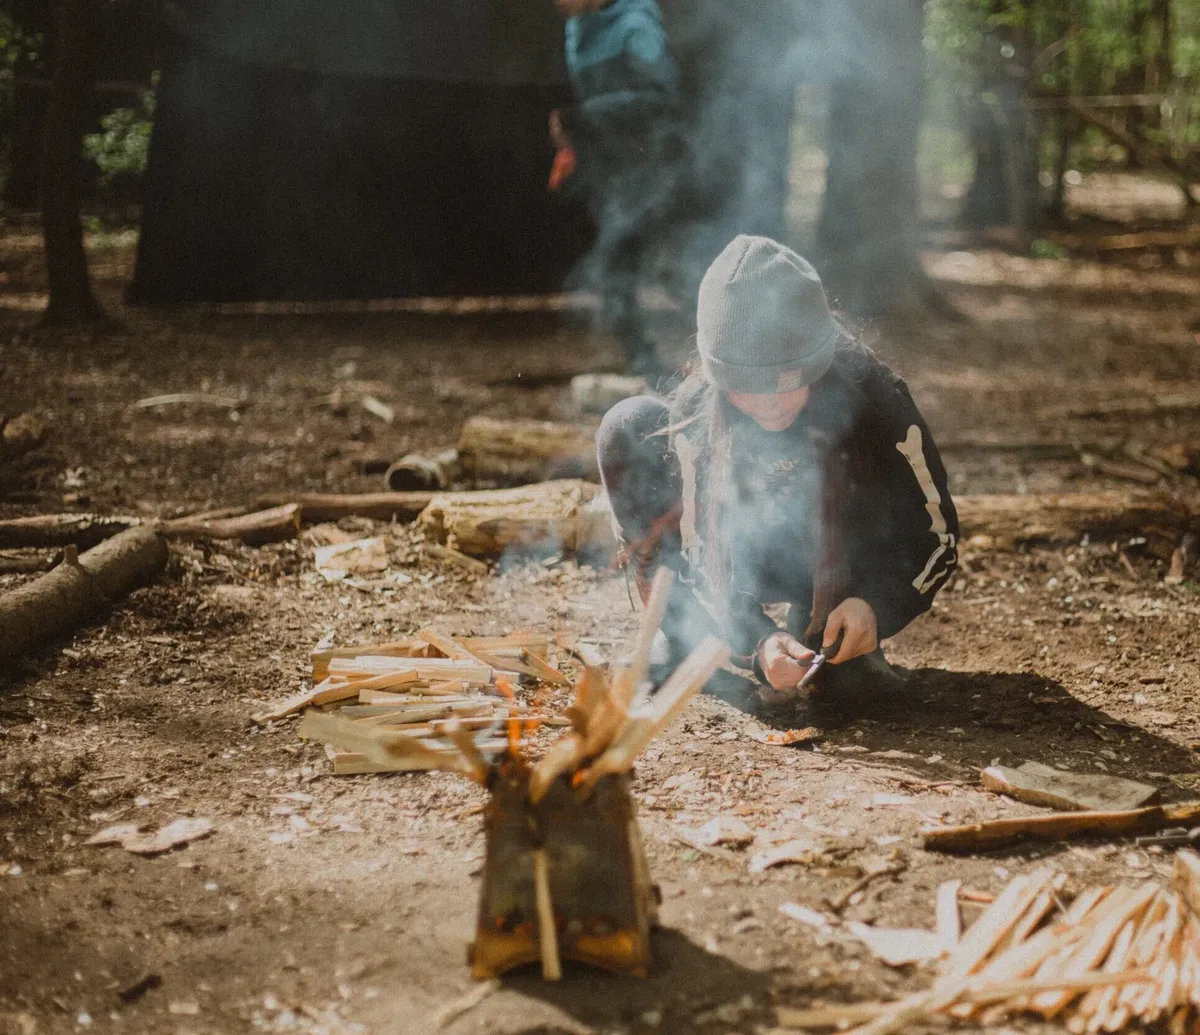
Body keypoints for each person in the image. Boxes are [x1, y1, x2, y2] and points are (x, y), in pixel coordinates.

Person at [596, 235, 959, 699]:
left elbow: (936, 535)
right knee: (628, 425)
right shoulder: (698, 411)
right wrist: (756, 641)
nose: (768, 404)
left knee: (849, 694)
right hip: (744, 555)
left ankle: (831, 626)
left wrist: (876, 604)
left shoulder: (877, 399)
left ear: (817, 362)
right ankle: (686, 636)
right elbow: (693, 555)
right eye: (746, 387)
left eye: (786, 383)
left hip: (840, 555)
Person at [551, 0, 683, 384]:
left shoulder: (635, 24)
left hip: (649, 164)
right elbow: (592, 101)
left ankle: (730, 350)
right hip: (610, 168)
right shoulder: (577, 26)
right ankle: (645, 363)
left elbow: (660, 98)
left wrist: (583, 119)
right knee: (615, 268)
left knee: (664, 267)